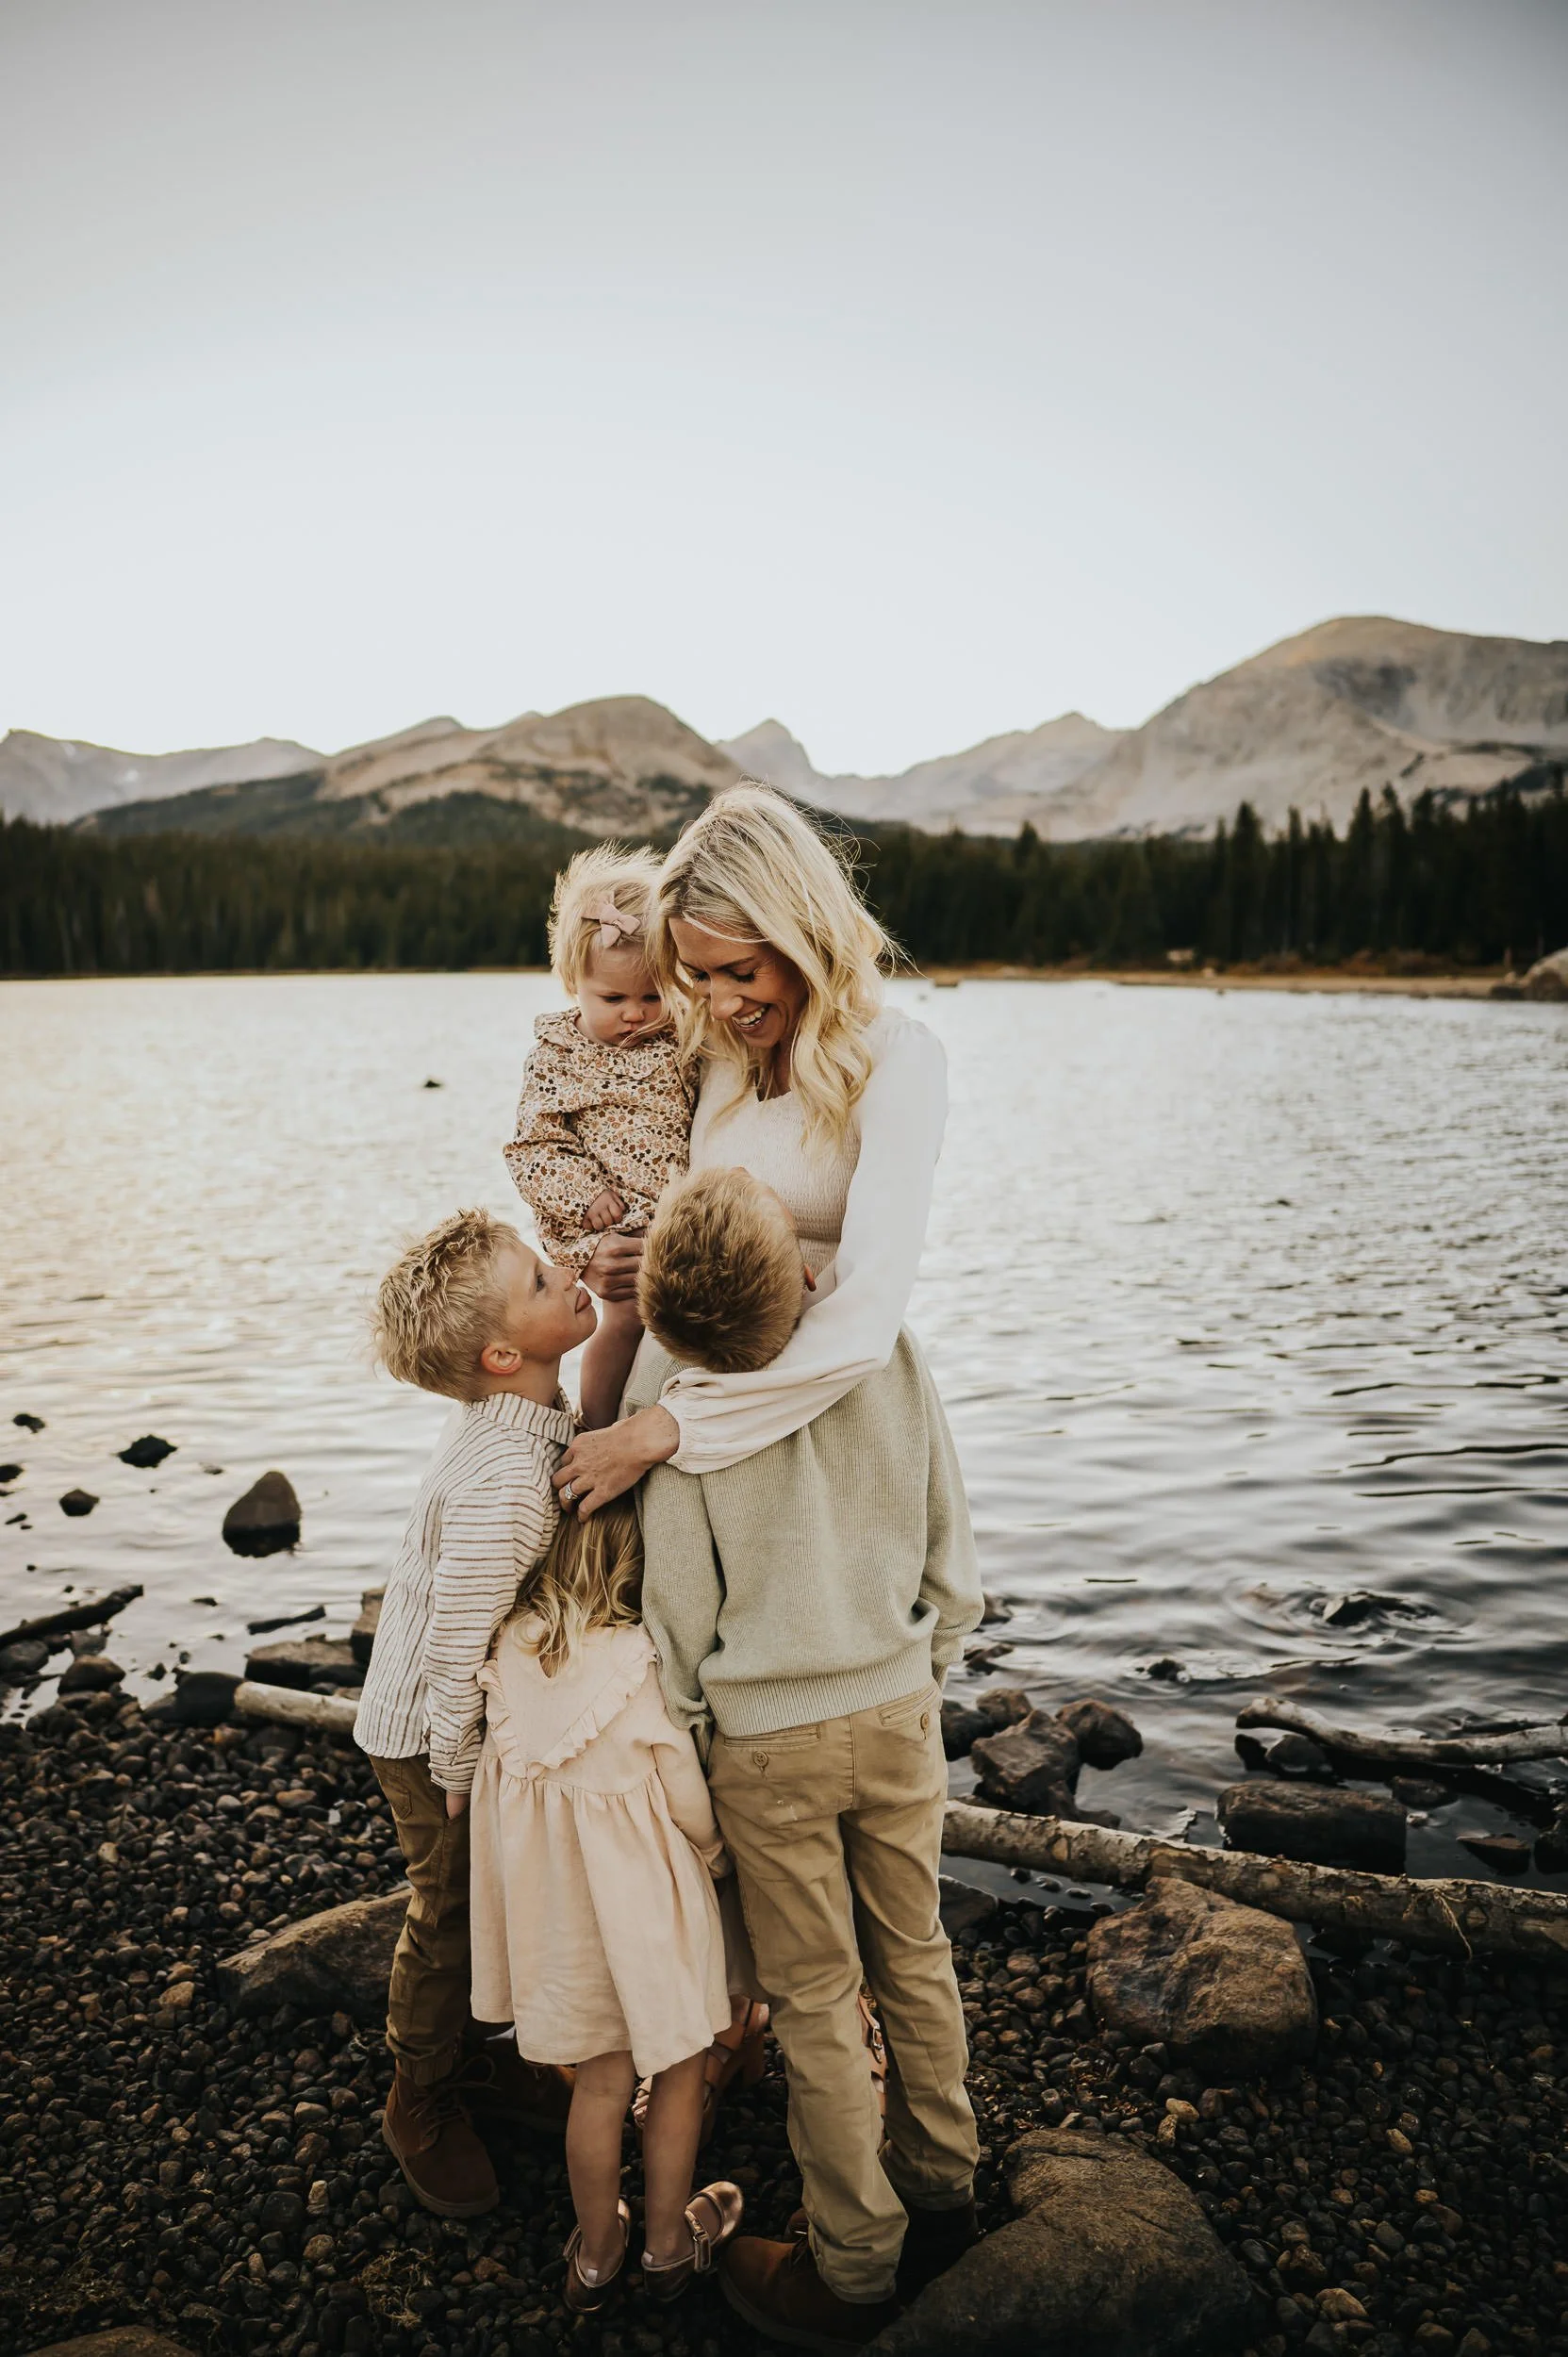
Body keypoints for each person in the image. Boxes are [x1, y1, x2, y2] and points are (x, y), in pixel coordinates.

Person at [552, 784, 985, 2351]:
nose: (725, 1002)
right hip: (717, 1468)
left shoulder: (894, 1059)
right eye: (697, 977)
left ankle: (890, 2230)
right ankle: (920, 2183)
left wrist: (672, 1439)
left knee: (874, 1957)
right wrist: (627, 1272)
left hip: (797, 1455)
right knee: (863, 1947)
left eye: (745, 969)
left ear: (804, 925)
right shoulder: (714, 1062)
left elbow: (861, 1318)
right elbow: (695, 1251)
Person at [354, 1207, 594, 2216]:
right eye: (541, 1280)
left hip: (447, 1718)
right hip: (426, 1734)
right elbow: (457, 1642)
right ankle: (418, 2092)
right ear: (503, 1353)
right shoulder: (505, 1474)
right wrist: (455, 1770)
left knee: (496, 1894)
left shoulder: (523, 1416)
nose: (566, 1272)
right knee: (445, 1908)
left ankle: (486, 2056)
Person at [467, 1498, 746, 2310]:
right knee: (680, 2068)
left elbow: (500, 1793)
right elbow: (683, 1792)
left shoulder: (509, 1651)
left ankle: (595, 2256)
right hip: (648, 1908)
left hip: (558, 1918)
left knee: (598, 2082)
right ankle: (665, 2248)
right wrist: (717, 1857)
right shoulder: (636, 1659)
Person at [504, 844, 693, 1431]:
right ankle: (598, 1426)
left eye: (651, 996)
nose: (634, 1014)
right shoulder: (560, 1057)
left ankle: (674, 1424)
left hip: (681, 1213)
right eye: (612, 999)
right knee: (625, 1321)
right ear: (572, 983)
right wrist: (585, 1196)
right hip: (619, 1219)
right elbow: (534, 1148)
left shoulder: (681, 1039)